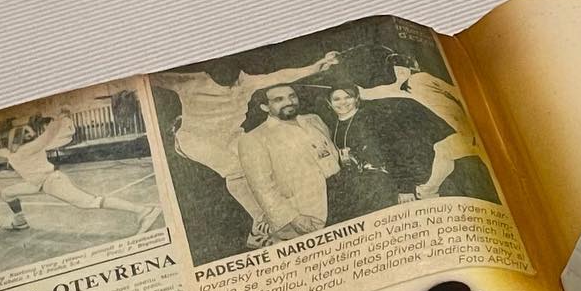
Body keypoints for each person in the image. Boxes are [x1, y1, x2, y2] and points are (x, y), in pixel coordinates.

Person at [155, 50, 340, 247]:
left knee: (266, 161)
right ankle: (261, 222)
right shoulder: (189, 82)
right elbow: (154, 78)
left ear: (237, 69)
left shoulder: (246, 82)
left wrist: (316, 66)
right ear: (208, 69)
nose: (226, 78)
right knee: (235, 169)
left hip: (232, 137)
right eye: (218, 71)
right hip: (195, 140)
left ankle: (260, 230)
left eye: (230, 72)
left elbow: (280, 76)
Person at [0, 110, 162, 236]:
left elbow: (49, 134)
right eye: (25, 133)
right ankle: (20, 221)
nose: (29, 134)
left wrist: (59, 118)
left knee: (90, 202)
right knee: (6, 193)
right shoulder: (9, 153)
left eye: (28, 132)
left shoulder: (30, 147)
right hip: (36, 184)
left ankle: (143, 210)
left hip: (52, 181)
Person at [357, 57, 494, 200]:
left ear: (411, 67)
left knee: (444, 150)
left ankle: (427, 191)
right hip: (460, 134)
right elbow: (374, 92)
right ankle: (428, 191)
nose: (399, 70)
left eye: (402, 66)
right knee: (443, 150)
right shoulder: (403, 89)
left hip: (471, 131)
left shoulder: (421, 78)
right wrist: (358, 91)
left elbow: (455, 92)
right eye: (395, 67)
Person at [236, 82, 341, 241]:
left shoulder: (314, 120)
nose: (289, 102)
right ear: (265, 107)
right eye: (279, 99)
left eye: (292, 96)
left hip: (340, 197)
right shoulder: (254, 139)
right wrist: (293, 218)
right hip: (307, 213)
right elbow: (262, 188)